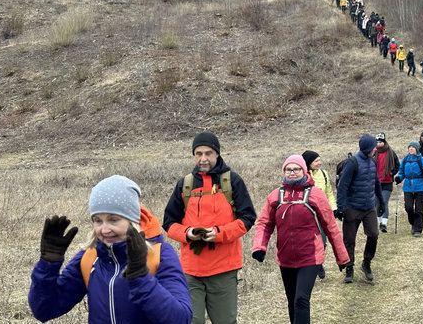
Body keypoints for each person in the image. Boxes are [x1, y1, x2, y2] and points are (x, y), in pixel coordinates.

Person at [29, 175, 192, 324]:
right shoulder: (89, 257)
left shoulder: (159, 254)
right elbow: (44, 310)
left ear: (132, 220)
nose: (104, 230)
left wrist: (141, 278)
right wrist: (48, 265)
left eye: (114, 220)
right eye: (98, 221)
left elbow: (180, 318)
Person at [163, 132, 256, 324]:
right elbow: (169, 223)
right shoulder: (185, 184)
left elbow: (248, 218)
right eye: (198, 154)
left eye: (208, 153)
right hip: (190, 271)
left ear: (217, 154)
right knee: (189, 320)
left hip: (224, 268)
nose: (203, 159)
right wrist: (187, 234)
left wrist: (219, 234)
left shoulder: (232, 181)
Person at [252, 155, 349, 324]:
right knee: (292, 301)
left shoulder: (315, 195)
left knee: (301, 300)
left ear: (304, 170)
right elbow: (264, 223)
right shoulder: (276, 196)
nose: (292, 173)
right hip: (285, 258)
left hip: (310, 257)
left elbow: (330, 227)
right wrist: (259, 247)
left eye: (296, 169)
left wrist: (342, 257)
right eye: (288, 169)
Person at [335, 134, 386, 283]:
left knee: (373, 235)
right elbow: (343, 186)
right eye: (373, 147)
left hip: (369, 207)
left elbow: (376, 182)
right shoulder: (352, 163)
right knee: (349, 240)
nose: (375, 149)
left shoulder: (372, 161)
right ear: (366, 149)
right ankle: (349, 268)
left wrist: (381, 202)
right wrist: (340, 207)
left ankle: (366, 263)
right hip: (352, 207)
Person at [302, 150, 336, 279]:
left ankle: (318, 263)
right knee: (309, 242)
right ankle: (312, 265)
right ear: (308, 163)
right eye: (316, 161)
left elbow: (329, 193)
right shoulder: (302, 176)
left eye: (319, 160)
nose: (319, 163)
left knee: (323, 241)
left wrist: (333, 208)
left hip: (322, 213)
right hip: (307, 214)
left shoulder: (324, 174)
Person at [394, 141, 423, 237]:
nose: (411, 149)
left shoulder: (421, 159)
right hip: (408, 187)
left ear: (417, 149)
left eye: (413, 147)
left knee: (419, 209)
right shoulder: (405, 160)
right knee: (408, 208)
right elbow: (401, 173)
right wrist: (399, 178)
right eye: (409, 147)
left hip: (420, 187)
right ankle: (413, 223)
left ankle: (418, 229)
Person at [374, 133, 400, 233]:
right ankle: (379, 222)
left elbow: (397, 165)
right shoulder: (373, 153)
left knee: (384, 202)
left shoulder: (391, 152)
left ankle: (384, 223)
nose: (378, 144)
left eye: (380, 142)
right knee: (377, 203)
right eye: (377, 142)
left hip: (387, 182)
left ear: (384, 142)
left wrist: (391, 173)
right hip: (376, 182)